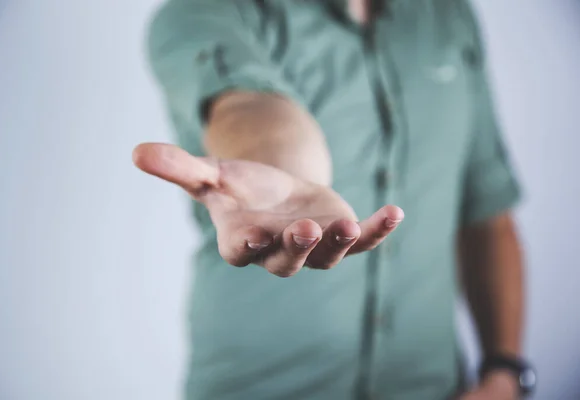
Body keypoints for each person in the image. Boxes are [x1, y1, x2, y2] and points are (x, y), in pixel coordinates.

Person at [133, 0, 537, 399]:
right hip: (259, 385)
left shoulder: (449, 17)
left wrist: (503, 372)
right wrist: (284, 175)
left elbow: (488, 214)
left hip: (435, 386)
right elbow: (249, 108)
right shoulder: (203, 12)